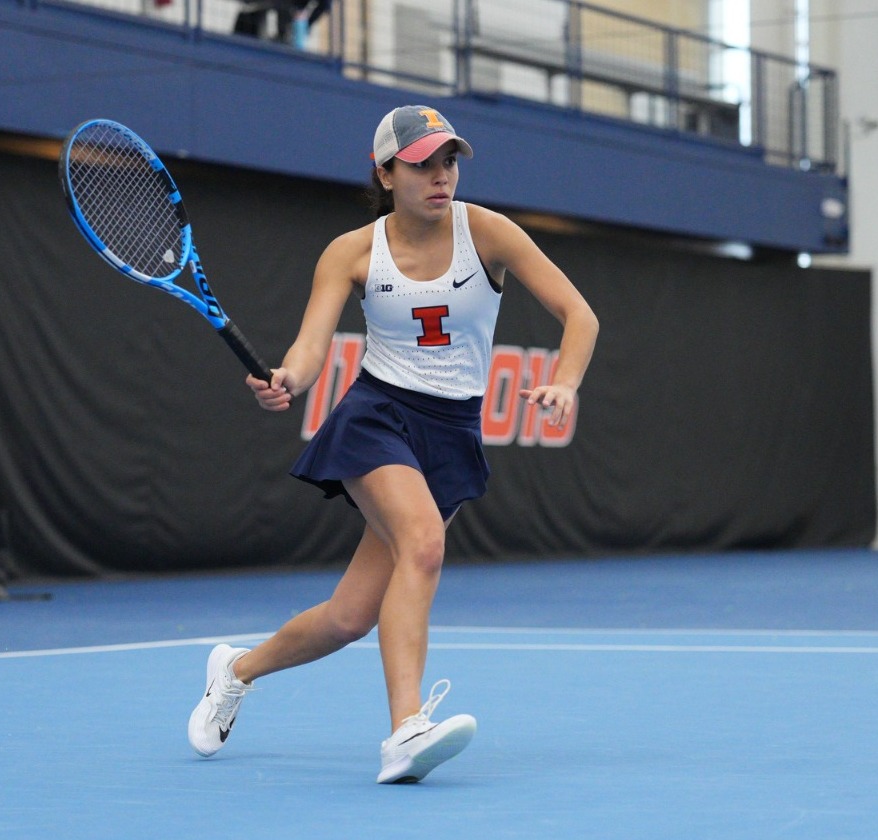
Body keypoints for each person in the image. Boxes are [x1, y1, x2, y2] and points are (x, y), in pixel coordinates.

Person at [187, 105, 599, 784]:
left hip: (453, 431)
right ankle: (406, 729)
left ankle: (234, 671)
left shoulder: (489, 233)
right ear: (384, 172)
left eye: (450, 161)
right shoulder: (351, 252)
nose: (442, 176)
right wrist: (288, 376)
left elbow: (579, 314)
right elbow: (312, 345)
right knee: (424, 543)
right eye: (423, 164)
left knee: (350, 616)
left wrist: (566, 382)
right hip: (379, 416)